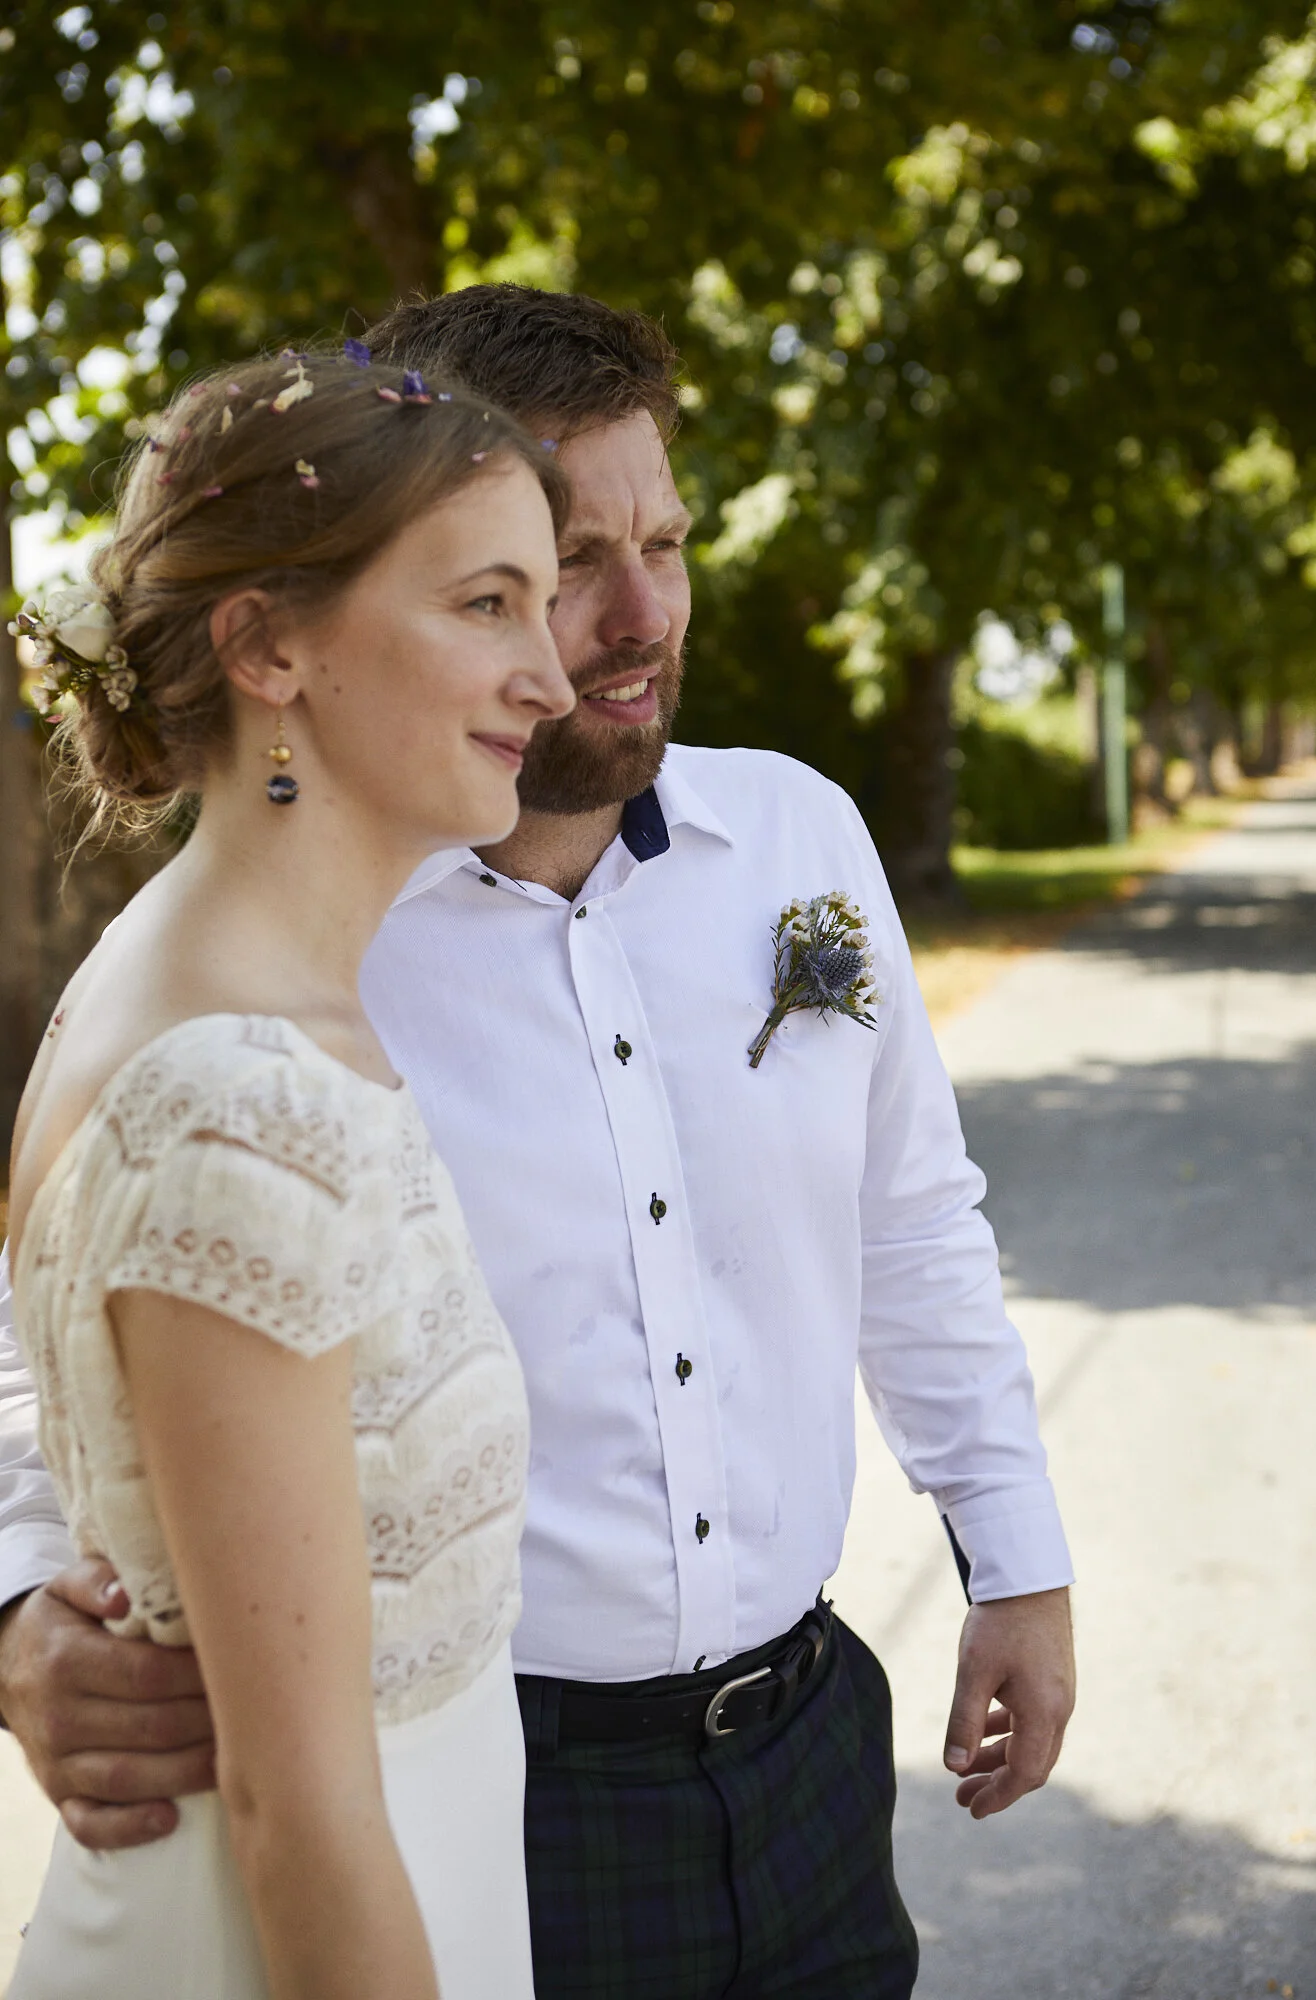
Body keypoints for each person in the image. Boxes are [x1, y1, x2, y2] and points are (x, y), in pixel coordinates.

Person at [0, 289, 1076, 1999]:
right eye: (553, 566)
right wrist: (13, 1614)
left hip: (810, 1751)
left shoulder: (803, 836)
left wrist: (1014, 1555)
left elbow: (912, 1219)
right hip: (484, 1795)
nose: (635, 616)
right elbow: (67, 1320)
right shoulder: (294, 948)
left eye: (669, 540)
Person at [0, 350, 574, 1998]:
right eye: (486, 602)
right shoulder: (237, 1102)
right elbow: (299, 1806)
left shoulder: (201, 984)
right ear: (269, 645)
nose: (547, 673)